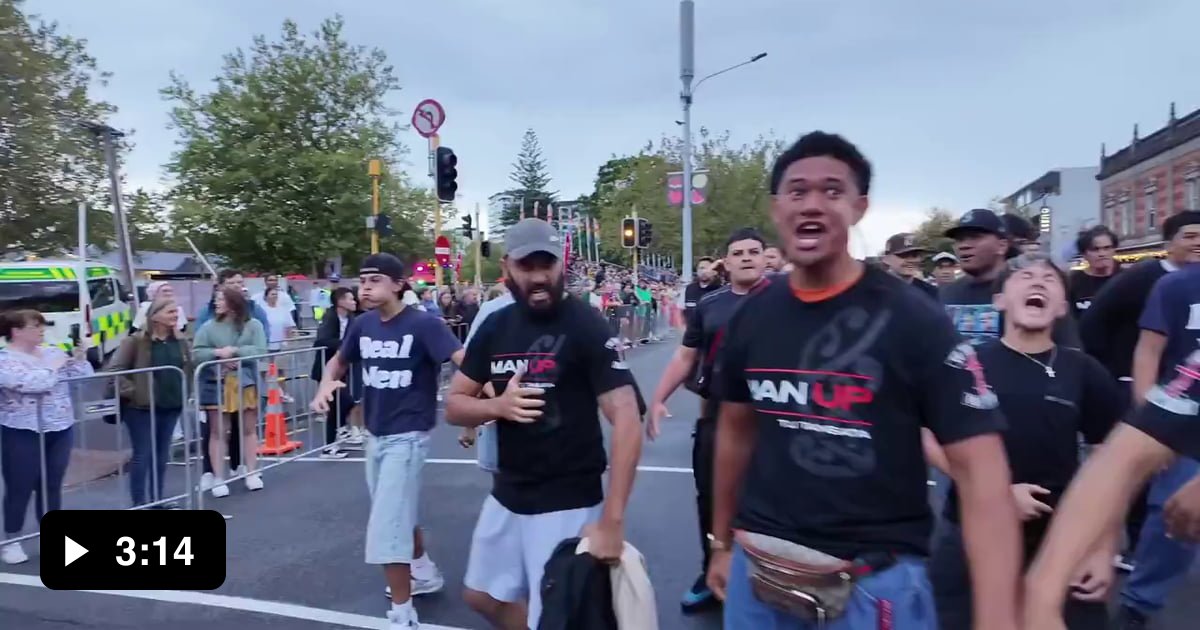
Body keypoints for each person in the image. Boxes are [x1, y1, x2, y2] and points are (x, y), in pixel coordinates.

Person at [705, 132, 1021, 630]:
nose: (812, 204)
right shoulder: (751, 318)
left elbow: (983, 476)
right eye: (797, 191)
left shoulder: (915, 320)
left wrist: (999, 619)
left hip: (874, 587)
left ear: (859, 207)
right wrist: (720, 545)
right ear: (776, 208)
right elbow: (735, 434)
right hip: (759, 577)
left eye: (832, 191)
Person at [445, 218, 645, 630]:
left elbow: (626, 417)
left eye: (546, 265)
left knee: (555, 615)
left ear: (561, 264)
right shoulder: (496, 326)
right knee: (480, 596)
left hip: (567, 501)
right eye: (527, 266)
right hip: (508, 494)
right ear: (508, 268)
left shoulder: (584, 323)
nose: (538, 277)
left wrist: (613, 518)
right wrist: (498, 407)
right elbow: (455, 405)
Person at [924, 253, 1121, 630]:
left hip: (1061, 539)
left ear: (1062, 305)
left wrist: (1103, 546)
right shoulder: (967, 364)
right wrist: (996, 492)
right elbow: (929, 434)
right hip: (972, 532)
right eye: (1025, 276)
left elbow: (1110, 463)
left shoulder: (1083, 370)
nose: (1037, 283)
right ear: (1000, 300)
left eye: (1049, 280)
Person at [1024, 260, 1200, 630]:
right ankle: (1138, 603)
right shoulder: (1176, 289)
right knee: (1168, 522)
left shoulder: (1080, 370)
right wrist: (1042, 594)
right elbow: (1118, 458)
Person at [310, 253, 462, 630]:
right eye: (362, 281)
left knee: (386, 527)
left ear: (398, 284)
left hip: (407, 437)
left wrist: (487, 401)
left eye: (375, 280)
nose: (365, 288)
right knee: (396, 513)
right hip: (375, 437)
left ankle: (402, 613)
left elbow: (464, 359)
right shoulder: (362, 325)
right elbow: (339, 361)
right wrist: (328, 381)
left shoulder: (424, 325)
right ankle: (423, 572)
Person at [647, 226, 769, 613]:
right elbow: (686, 356)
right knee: (711, 499)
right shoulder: (710, 305)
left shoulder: (788, 301)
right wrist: (657, 398)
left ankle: (768, 580)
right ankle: (711, 570)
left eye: (754, 251)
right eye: (738, 252)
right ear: (726, 262)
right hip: (717, 418)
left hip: (774, 421)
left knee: (770, 502)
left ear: (766, 257)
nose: (747, 257)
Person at [1077, 210, 1200, 573]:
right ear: (1168, 244)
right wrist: (1108, 373)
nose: (1197, 243)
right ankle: (1125, 559)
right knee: (1139, 476)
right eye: (1189, 235)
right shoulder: (1147, 277)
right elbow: (1096, 323)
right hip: (1148, 393)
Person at [0, 310, 92, 565]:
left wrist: (79, 359)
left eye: (42, 325)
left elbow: (82, 379)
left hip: (60, 427)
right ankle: (12, 539)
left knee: (51, 485)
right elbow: (30, 383)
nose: (42, 329)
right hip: (21, 430)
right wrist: (53, 368)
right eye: (35, 326)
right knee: (19, 486)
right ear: (16, 331)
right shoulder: (4, 360)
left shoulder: (52, 352)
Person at [941, 208, 1080, 347]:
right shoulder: (946, 293)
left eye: (975, 237)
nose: (964, 246)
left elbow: (1070, 352)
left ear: (1002, 246)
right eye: (959, 240)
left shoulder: (1034, 292)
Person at [106, 297, 192, 508]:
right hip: (141, 408)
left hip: (170, 405)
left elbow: (187, 367)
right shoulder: (135, 342)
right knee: (143, 454)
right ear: (155, 316)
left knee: (162, 454)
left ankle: (157, 500)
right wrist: (134, 392)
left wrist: (185, 392)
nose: (175, 316)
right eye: (170, 311)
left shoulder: (179, 341)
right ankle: (139, 502)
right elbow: (114, 372)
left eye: (176, 312)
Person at [193, 286, 268, 498]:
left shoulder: (253, 325)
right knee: (218, 431)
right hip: (217, 383)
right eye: (215, 299)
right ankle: (217, 478)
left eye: (220, 299)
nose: (216, 303)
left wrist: (236, 352)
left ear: (233, 303)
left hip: (246, 383)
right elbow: (197, 353)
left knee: (249, 429)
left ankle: (252, 471)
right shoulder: (208, 327)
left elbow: (261, 350)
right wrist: (217, 354)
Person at [312, 287, 359, 459]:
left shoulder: (352, 319)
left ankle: (336, 438)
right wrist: (345, 345)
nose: (354, 302)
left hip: (342, 368)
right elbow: (320, 341)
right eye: (350, 299)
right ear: (340, 301)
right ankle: (330, 445)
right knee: (340, 404)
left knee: (343, 404)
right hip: (326, 369)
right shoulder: (330, 317)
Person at [1066, 225, 1119, 318]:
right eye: (1095, 249)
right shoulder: (1072, 282)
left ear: (1114, 250)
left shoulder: (1128, 278)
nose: (1102, 254)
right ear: (1084, 254)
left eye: (1107, 248)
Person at [881, 232, 938, 299]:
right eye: (904, 255)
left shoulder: (930, 291)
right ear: (887, 259)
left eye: (915, 255)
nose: (911, 260)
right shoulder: (874, 291)